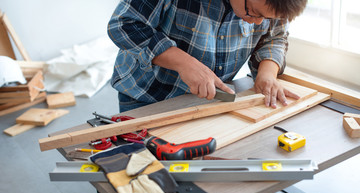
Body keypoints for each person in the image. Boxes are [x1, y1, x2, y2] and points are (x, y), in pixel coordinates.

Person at [108, 0, 307, 112]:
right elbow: (124, 24)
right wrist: (184, 63)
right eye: (252, 12)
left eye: (267, 18)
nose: (257, 23)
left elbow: (275, 37)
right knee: (132, 174)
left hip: (212, 101)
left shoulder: (270, 6)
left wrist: (267, 73)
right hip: (148, 97)